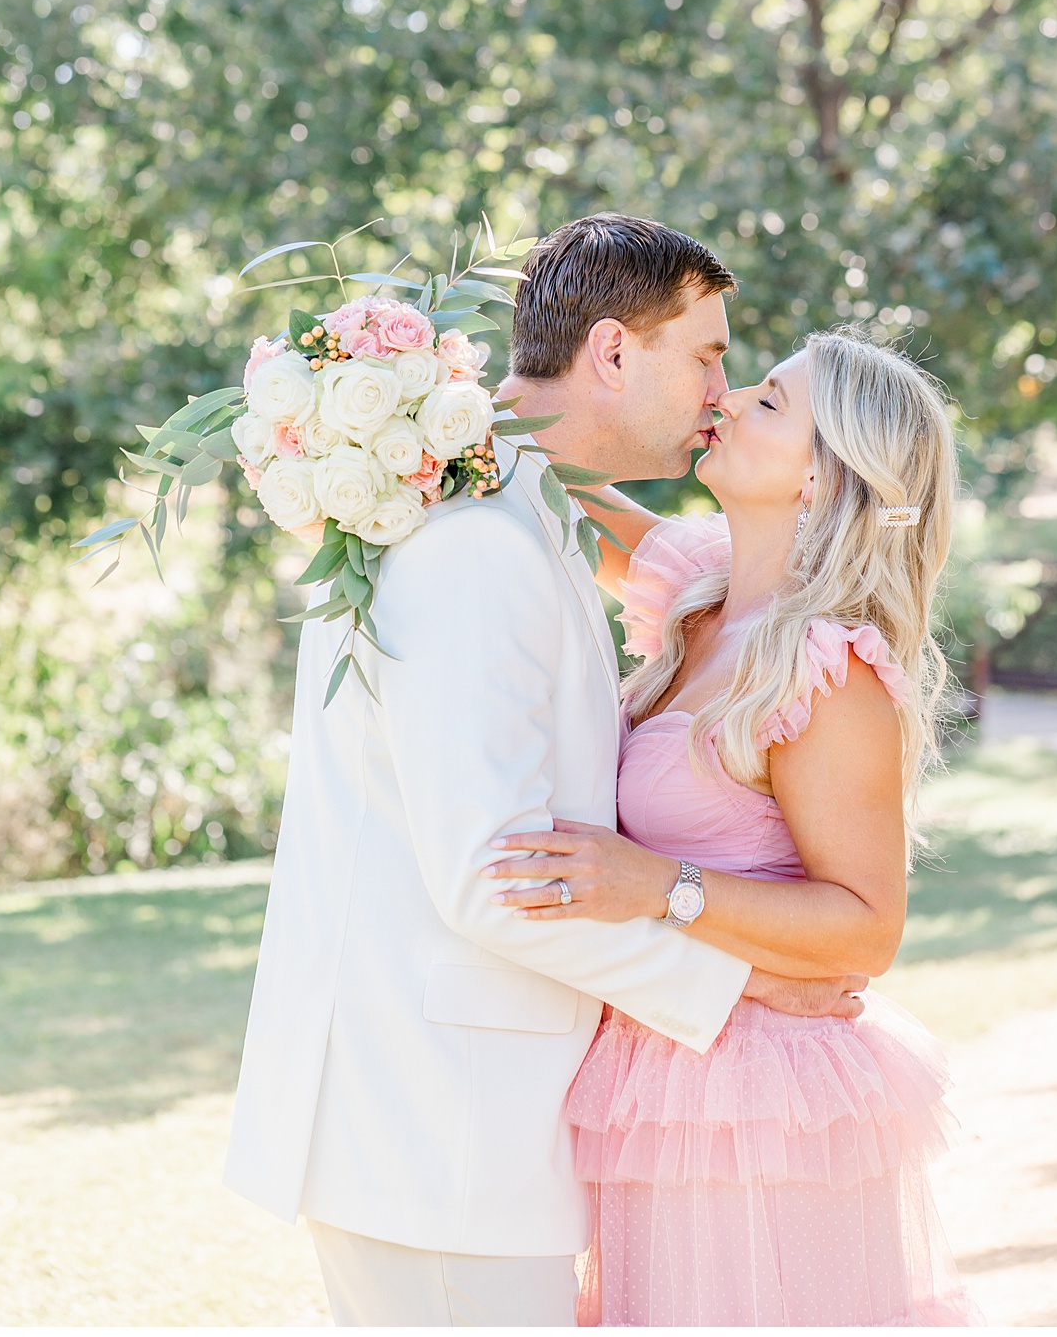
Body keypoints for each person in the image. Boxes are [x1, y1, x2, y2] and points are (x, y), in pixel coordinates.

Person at [223, 216, 868, 1328]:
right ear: (614, 351)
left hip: (462, 1136)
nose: (720, 390)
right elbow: (493, 877)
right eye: (709, 356)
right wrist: (744, 981)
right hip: (433, 1137)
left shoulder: (521, 510)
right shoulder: (477, 544)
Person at [485, 329, 981, 1326]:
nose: (730, 393)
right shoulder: (699, 589)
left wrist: (656, 883)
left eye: (768, 401)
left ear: (821, 475)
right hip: (648, 1066)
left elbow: (868, 928)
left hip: (757, 1096)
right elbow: (543, 458)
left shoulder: (826, 665)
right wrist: (433, 391)